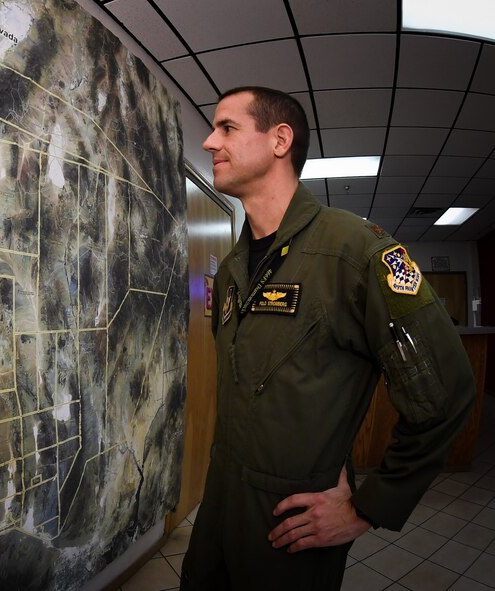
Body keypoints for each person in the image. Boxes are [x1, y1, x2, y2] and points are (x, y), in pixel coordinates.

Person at [179, 86, 475, 590]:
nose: (209, 142)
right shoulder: (231, 269)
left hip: (293, 523)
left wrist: (368, 506)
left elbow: (445, 393)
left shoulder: (353, 249)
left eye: (226, 127)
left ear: (280, 140)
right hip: (221, 507)